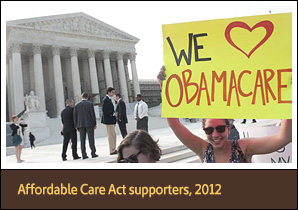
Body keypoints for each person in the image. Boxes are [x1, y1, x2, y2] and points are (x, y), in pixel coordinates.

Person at [157, 65, 292, 163]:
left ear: (228, 128)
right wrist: (166, 88)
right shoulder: (203, 149)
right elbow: (174, 123)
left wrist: (290, 96)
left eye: (220, 128)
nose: (215, 135)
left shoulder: (243, 147)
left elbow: (284, 137)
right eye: (209, 130)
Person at [73, 93, 98, 159]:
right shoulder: (90, 104)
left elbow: (75, 116)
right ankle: (93, 152)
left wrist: (76, 125)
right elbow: (92, 114)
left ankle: (84, 154)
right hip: (89, 123)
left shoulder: (77, 105)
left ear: (81, 97)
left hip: (80, 125)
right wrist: (94, 123)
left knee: (82, 140)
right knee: (91, 139)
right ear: (87, 97)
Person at [101, 87, 117, 155]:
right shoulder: (106, 99)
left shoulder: (109, 99)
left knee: (113, 135)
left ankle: (113, 148)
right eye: (112, 92)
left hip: (111, 120)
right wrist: (112, 113)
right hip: (109, 120)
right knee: (111, 135)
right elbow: (104, 110)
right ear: (109, 92)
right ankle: (112, 149)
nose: (113, 94)